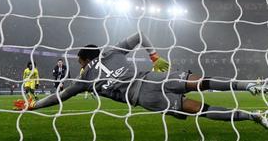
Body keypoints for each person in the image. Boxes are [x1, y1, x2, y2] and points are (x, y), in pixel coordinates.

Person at [14, 31, 268, 128]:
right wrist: (154, 56)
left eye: (79, 62)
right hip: (153, 78)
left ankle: (254, 115)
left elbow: (60, 96)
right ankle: (252, 86)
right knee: (202, 82)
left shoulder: (85, 79)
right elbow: (138, 35)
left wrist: (32, 105)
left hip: (145, 96)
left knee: (201, 109)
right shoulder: (111, 51)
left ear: (82, 59)